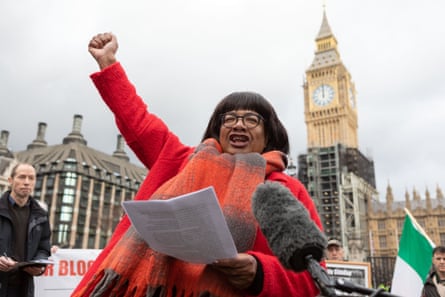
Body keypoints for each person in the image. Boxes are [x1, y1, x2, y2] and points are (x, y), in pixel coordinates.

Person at [72, 32, 324, 297]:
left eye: (251, 119)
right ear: (217, 130)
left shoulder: (286, 191)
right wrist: (109, 63)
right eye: (229, 119)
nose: (238, 124)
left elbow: (313, 276)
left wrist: (258, 271)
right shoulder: (181, 161)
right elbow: (138, 120)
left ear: (269, 135)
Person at [0, 163, 51, 297]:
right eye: (22, 177)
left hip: (24, 288)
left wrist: (39, 267)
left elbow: (44, 247)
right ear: (10, 180)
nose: (26, 182)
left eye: (31, 178)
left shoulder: (41, 215)